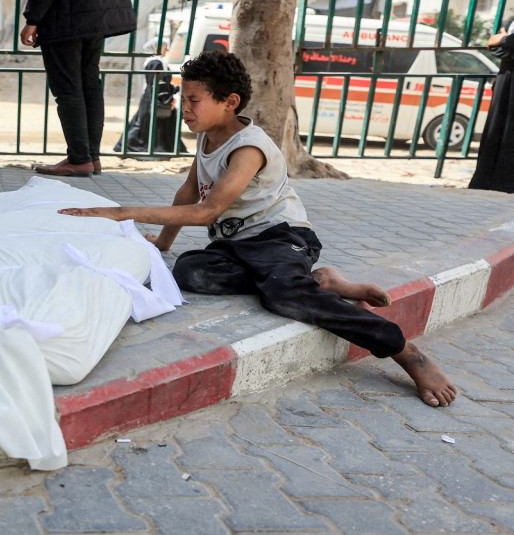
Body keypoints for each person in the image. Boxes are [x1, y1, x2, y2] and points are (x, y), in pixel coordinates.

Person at [59, 51, 457, 408]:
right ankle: (320, 281)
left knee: (282, 294)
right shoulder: (208, 136)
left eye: (194, 99)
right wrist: (162, 243)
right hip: (236, 244)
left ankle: (406, 352)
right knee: (189, 271)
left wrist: (121, 212)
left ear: (229, 102)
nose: (185, 107)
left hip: (280, 237)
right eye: (184, 98)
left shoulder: (248, 147)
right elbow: (189, 191)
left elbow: (208, 210)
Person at [20, 0, 135, 177]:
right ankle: (91, 157)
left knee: (68, 89)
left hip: (65, 18)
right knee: (90, 85)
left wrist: (33, 19)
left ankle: (80, 159)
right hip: (94, 14)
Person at [113, 38, 187, 159]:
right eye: (165, 47)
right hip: (155, 99)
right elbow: (158, 84)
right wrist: (166, 98)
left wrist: (173, 90)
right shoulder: (156, 63)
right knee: (148, 124)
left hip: (152, 98)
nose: (167, 50)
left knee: (146, 123)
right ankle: (135, 149)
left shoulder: (155, 62)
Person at [468, 18, 514, 193]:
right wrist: (506, 44)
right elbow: (493, 45)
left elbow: (499, 41)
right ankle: (488, 181)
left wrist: (504, 40)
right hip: (506, 79)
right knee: (496, 131)